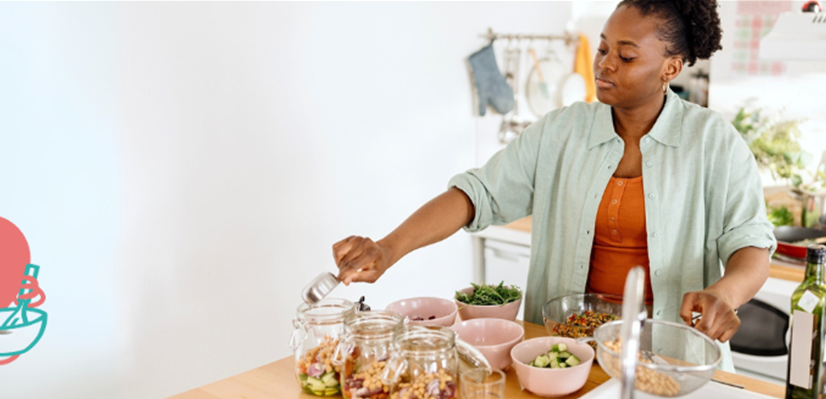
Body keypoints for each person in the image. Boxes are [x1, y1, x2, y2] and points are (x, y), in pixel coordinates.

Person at [332, 0, 774, 371]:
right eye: (603, 49)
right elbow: (476, 195)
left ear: (670, 67)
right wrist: (388, 249)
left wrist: (723, 293)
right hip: (564, 356)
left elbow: (751, 246)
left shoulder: (713, 141)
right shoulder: (562, 131)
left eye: (626, 56)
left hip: (672, 362)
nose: (604, 64)